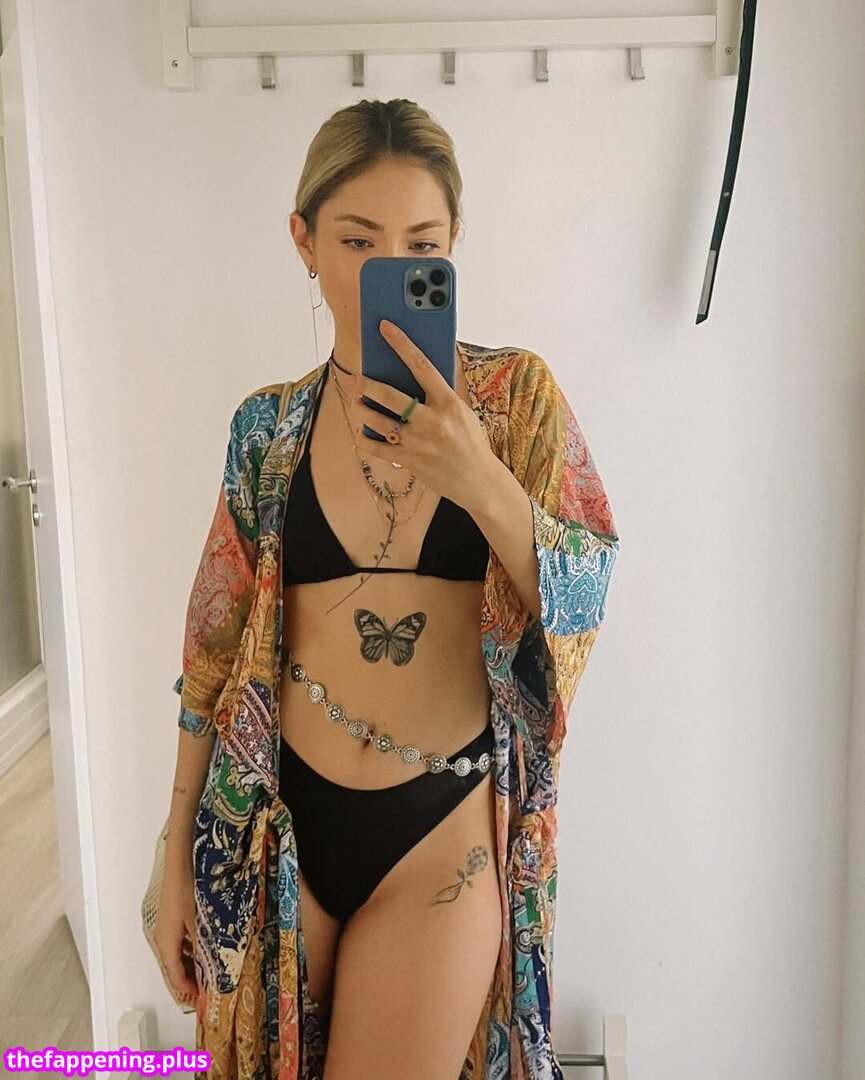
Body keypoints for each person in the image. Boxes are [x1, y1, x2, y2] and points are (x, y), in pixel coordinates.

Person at [151, 97, 621, 1080]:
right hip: (271, 824)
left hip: (439, 838)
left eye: (421, 244)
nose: (388, 267)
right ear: (304, 242)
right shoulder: (266, 431)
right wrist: (171, 850)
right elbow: (210, 650)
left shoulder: (516, 401)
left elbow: (582, 591)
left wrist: (477, 476)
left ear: (453, 245)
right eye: (357, 241)